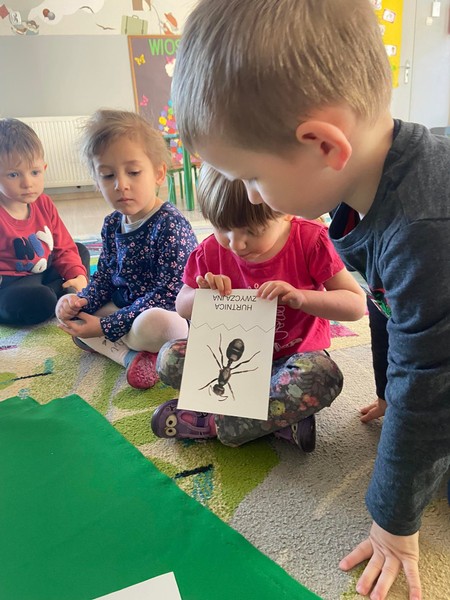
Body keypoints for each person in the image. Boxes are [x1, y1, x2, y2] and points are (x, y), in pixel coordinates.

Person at [169, 1, 450, 598]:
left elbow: (430, 387)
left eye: (251, 177)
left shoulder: (424, 228)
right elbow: (387, 307)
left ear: (322, 145)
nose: (249, 196)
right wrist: (387, 390)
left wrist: (394, 523)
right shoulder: (367, 186)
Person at [151, 165, 366, 450]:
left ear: (286, 210)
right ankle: (280, 420)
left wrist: (302, 298)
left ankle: (214, 423)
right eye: (222, 227)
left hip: (292, 361)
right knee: (169, 357)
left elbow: (355, 305)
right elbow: (181, 305)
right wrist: (201, 295)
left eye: (252, 231)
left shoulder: (311, 240)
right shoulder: (211, 251)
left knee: (322, 374)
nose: (236, 243)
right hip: (235, 360)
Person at [55, 109, 197, 389]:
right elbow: (104, 277)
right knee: (72, 316)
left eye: (133, 172)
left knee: (162, 326)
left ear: (158, 173)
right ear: (97, 182)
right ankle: (131, 357)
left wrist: (104, 327)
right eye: (108, 176)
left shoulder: (170, 225)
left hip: (162, 314)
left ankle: (109, 342)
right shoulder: (112, 223)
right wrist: (80, 302)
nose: (121, 185)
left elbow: (169, 294)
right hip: (125, 309)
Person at [0, 118, 89, 326]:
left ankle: (66, 292)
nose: (27, 183)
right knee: (39, 300)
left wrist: (78, 275)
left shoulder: (44, 203)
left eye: (34, 172)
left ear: (44, 168)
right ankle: (60, 296)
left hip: (43, 269)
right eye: (13, 174)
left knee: (79, 251)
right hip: (11, 285)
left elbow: (63, 246)